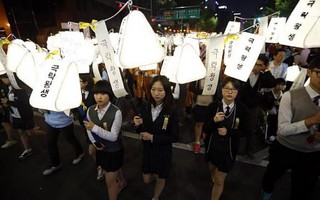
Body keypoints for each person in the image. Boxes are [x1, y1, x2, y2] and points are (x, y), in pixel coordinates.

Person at [261, 55, 320, 200]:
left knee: (304, 189)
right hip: (286, 148)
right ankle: (266, 193)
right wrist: (311, 121)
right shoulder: (290, 96)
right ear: (309, 72)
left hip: (313, 153)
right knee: (271, 177)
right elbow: (282, 129)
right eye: (319, 73)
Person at [133, 75, 179, 200]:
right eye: (153, 89)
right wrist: (138, 125)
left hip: (163, 151)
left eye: (160, 90)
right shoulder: (145, 106)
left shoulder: (172, 110)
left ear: (166, 91)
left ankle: (156, 197)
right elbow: (142, 130)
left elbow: (174, 137)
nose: (156, 93)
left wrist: (153, 137)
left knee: (161, 177)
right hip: (148, 149)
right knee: (147, 179)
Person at [202, 77, 248, 200]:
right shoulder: (213, 106)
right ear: (221, 90)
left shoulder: (242, 109)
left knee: (218, 180)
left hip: (228, 151)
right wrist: (214, 120)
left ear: (238, 92)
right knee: (212, 169)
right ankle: (214, 177)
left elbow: (244, 131)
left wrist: (228, 132)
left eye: (233, 89)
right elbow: (205, 128)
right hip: (212, 147)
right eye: (227, 88)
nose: (229, 92)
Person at [84, 80, 126, 200]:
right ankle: (123, 182)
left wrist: (95, 128)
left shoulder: (116, 112)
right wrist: (95, 143)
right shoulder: (90, 110)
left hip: (114, 151)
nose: (99, 97)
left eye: (103, 93)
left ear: (110, 94)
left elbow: (113, 137)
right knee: (114, 170)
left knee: (110, 183)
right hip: (101, 149)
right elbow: (88, 129)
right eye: (96, 94)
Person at [240, 54, 276, 159]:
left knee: (251, 129)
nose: (256, 67)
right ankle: (234, 147)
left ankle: (249, 150)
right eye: (254, 64)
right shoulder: (243, 73)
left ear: (263, 67)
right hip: (241, 105)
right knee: (237, 126)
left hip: (253, 107)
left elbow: (272, 83)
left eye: (259, 65)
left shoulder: (262, 76)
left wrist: (267, 70)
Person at [0, 74, 35, 160]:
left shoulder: (20, 89)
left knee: (30, 132)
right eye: (2, 79)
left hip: (24, 115)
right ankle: (27, 149)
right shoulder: (7, 88)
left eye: (5, 78)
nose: (3, 80)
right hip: (15, 115)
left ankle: (48, 134)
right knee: (21, 133)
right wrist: (5, 103)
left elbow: (22, 104)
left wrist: (8, 102)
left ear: (12, 78)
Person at [42, 110, 84, 176]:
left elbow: (70, 108)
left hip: (64, 122)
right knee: (50, 143)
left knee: (70, 139)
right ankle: (56, 164)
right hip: (50, 122)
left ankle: (80, 153)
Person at [190, 78, 214, 154]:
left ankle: (208, 142)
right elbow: (191, 87)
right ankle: (197, 142)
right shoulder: (198, 72)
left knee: (210, 124)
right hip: (199, 103)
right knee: (199, 123)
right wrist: (204, 91)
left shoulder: (216, 71)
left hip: (211, 103)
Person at [262, 78, 286, 144]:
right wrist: (267, 109)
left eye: (282, 85)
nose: (280, 87)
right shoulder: (268, 94)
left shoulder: (284, 95)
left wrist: (279, 104)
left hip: (278, 114)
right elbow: (263, 104)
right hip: (267, 113)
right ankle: (267, 136)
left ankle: (273, 135)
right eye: (278, 84)